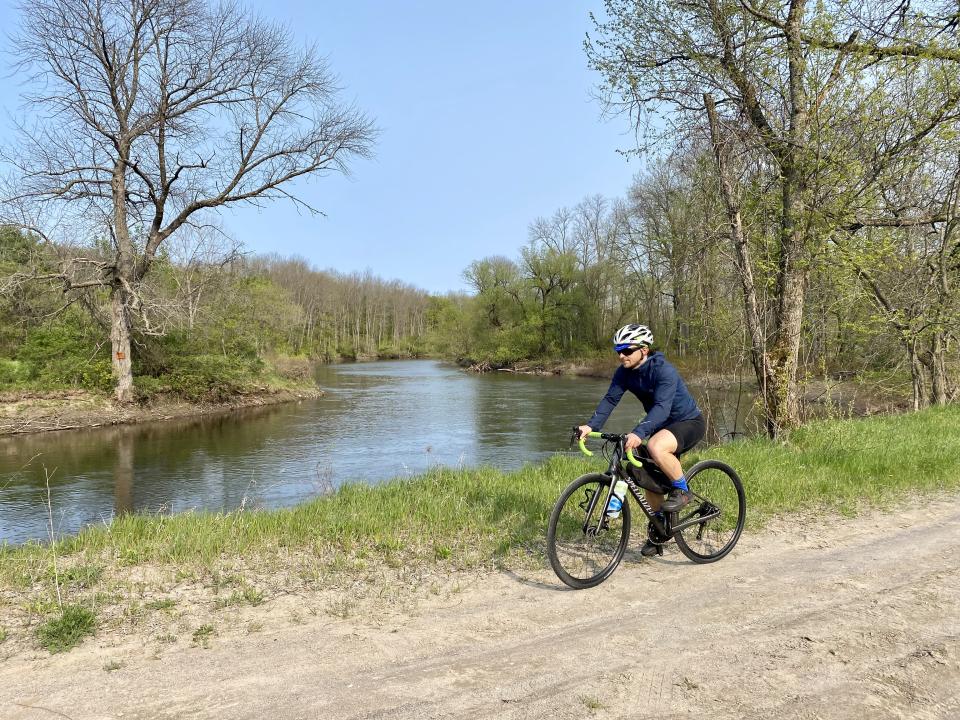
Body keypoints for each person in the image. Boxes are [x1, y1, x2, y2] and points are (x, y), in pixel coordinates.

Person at [577, 323, 706, 557]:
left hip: (688, 422)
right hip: (662, 426)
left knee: (655, 446)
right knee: (647, 475)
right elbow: (609, 400)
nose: (621, 356)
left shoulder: (663, 371)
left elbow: (662, 408)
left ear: (644, 350)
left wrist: (638, 433)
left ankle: (683, 491)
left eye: (626, 350)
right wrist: (590, 425)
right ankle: (660, 529)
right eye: (618, 350)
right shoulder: (624, 373)